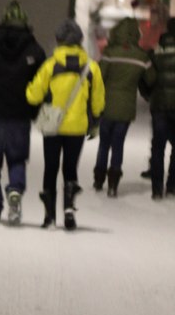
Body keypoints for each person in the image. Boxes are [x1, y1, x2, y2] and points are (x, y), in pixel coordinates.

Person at [26, 18, 105, 230]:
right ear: (79, 41)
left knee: (50, 168)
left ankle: (49, 217)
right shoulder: (91, 68)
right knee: (70, 168)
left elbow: (33, 96)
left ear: (58, 40)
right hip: (77, 127)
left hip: (53, 125)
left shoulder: (50, 65)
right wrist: (95, 121)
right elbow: (98, 100)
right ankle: (69, 209)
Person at [0, 0, 46, 223]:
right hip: (20, 119)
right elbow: (42, 85)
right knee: (16, 160)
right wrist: (33, 111)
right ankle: (15, 190)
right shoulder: (34, 50)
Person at [92, 17, 151, 197]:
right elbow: (151, 79)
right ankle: (113, 184)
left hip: (107, 105)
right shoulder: (142, 57)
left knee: (104, 144)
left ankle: (99, 179)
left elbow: (99, 76)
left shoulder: (110, 53)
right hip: (126, 108)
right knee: (118, 145)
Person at [142, 17, 175, 200]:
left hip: (160, 105)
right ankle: (171, 187)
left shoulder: (156, 51)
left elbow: (146, 76)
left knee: (158, 147)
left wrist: (147, 94)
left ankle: (156, 189)